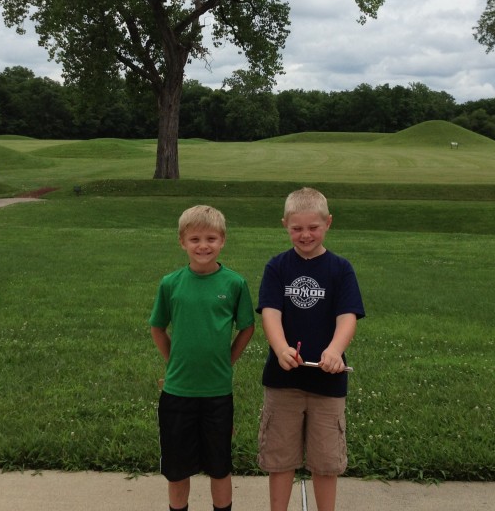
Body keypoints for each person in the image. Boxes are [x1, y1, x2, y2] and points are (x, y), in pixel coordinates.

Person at [255, 187, 365, 511]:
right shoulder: (277, 267)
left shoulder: (340, 269)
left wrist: (334, 350)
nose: (305, 235)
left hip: (328, 384)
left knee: (326, 461)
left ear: (328, 223)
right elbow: (270, 314)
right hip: (282, 381)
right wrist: (281, 348)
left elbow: (347, 317)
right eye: (297, 228)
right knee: (279, 459)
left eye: (313, 227)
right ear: (285, 225)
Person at [150, 205, 255, 511]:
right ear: (182, 242)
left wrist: (228, 360)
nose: (203, 246)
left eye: (211, 238)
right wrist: (173, 361)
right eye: (194, 239)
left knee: (219, 466)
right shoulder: (171, 283)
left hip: (217, 393)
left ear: (222, 240)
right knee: (177, 468)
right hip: (177, 392)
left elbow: (247, 327)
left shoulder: (234, 284)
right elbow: (158, 327)